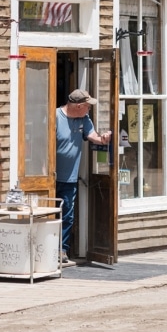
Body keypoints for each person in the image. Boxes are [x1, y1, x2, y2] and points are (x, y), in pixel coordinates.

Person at [55, 89, 112, 265]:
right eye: (87, 106)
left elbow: (92, 135)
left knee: (67, 215)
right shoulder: (55, 117)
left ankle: (61, 250)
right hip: (50, 176)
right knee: (49, 215)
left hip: (70, 177)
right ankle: (44, 251)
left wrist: (103, 139)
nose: (89, 109)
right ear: (79, 106)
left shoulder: (84, 119)